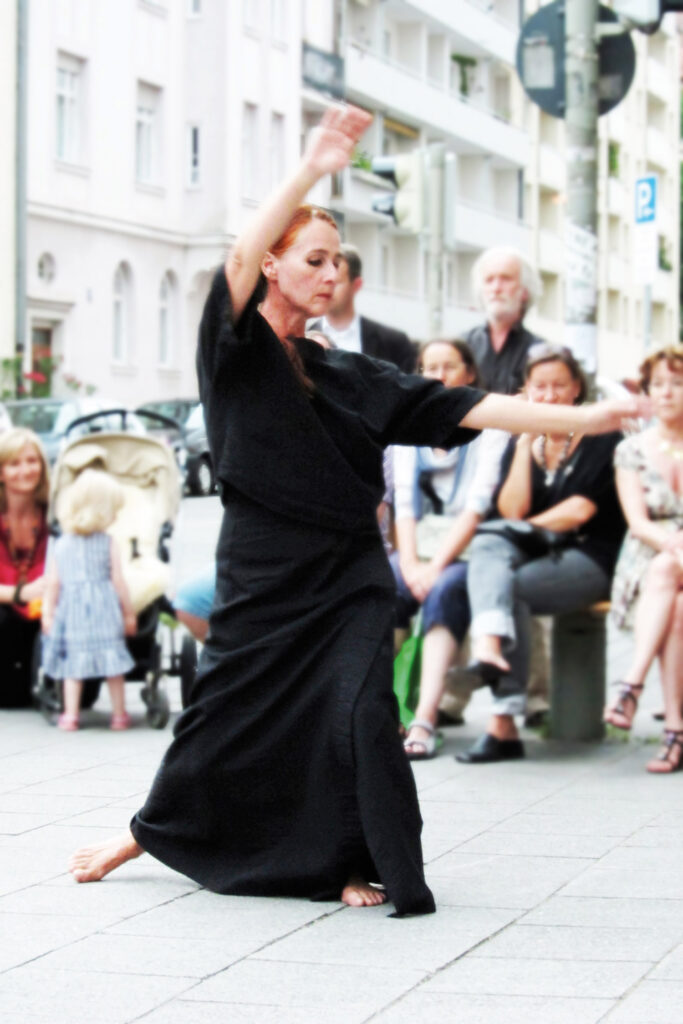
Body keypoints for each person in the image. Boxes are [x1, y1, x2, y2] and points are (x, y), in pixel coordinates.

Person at [67, 105, 647, 914]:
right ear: (272, 266)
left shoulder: (352, 375)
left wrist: (586, 421)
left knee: (362, 714)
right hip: (264, 569)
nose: (330, 272)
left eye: (338, 260)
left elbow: (470, 406)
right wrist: (311, 166)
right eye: (313, 257)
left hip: (348, 576)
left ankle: (353, 859)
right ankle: (146, 833)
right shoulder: (234, 353)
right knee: (227, 714)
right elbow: (233, 257)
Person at [459, 345, 627, 764]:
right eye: (539, 387)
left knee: (505, 573)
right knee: (489, 547)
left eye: (558, 386)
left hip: (593, 556)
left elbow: (579, 511)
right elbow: (513, 509)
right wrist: (525, 441)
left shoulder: (600, 435)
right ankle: (491, 649)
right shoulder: (524, 442)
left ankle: (503, 721)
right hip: (537, 552)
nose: (548, 396)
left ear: (575, 391)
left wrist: (518, 529)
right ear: (526, 391)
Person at [391, 339, 507, 758]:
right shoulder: (407, 428)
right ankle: (383, 712)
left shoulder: (490, 427)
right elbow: (404, 502)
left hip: (468, 550)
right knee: (378, 584)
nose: (438, 375)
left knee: (444, 591)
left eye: (448, 366)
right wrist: (407, 563)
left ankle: (424, 717)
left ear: (469, 374)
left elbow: (477, 506)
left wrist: (432, 567)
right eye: (429, 367)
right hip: (417, 549)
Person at [605, 345, 683, 773]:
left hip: (670, 563)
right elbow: (638, 523)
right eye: (659, 384)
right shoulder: (631, 449)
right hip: (648, 560)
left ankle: (631, 688)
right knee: (671, 585)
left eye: (677, 383)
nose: (667, 393)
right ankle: (674, 730)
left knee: (678, 603)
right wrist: (675, 545)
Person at [41, 469, 137, 731]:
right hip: (105, 609)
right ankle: (119, 714)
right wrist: (128, 613)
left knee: (74, 667)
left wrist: (48, 614)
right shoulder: (108, 542)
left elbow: (53, 584)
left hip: (73, 612)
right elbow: (118, 581)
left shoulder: (61, 544)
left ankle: (70, 715)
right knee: (113, 666)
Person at [0, 427, 50, 709]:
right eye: (14, 463)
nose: (25, 470)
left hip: (48, 610)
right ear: (1, 472)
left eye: (32, 461)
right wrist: (21, 593)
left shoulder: (55, 512)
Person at [311, 243, 416, 372]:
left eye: (336, 282)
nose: (328, 287)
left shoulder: (394, 343)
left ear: (357, 285)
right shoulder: (305, 340)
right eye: (324, 280)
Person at [465, 246, 545, 396]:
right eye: (489, 280)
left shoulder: (541, 352)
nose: (496, 288)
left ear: (525, 291)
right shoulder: (462, 346)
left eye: (506, 278)